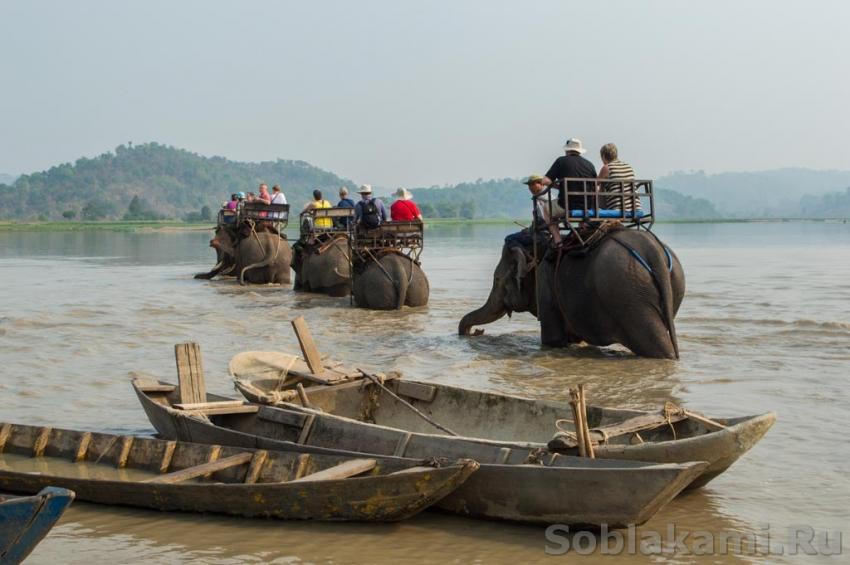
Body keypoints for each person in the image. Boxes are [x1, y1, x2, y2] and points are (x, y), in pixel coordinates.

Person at [504, 174, 563, 251]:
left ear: (541, 184)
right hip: (549, 233)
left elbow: (543, 221)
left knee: (509, 238)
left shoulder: (541, 199)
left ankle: (526, 257)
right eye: (529, 185)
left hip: (541, 236)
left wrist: (530, 230)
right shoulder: (551, 197)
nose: (530, 188)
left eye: (532, 184)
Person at [542, 138, 597, 213]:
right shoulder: (590, 165)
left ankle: (553, 225)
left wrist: (559, 187)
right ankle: (583, 224)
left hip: (566, 205)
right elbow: (595, 187)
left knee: (546, 208)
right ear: (579, 151)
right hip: (587, 206)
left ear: (567, 150)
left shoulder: (561, 161)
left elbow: (545, 181)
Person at [598, 143, 641, 212]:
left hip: (617, 209)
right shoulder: (628, 166)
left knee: (600, 185)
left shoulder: (607, 168)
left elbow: (595, 183)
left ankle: (597, 212)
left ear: (603, 156)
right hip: (636, 208)